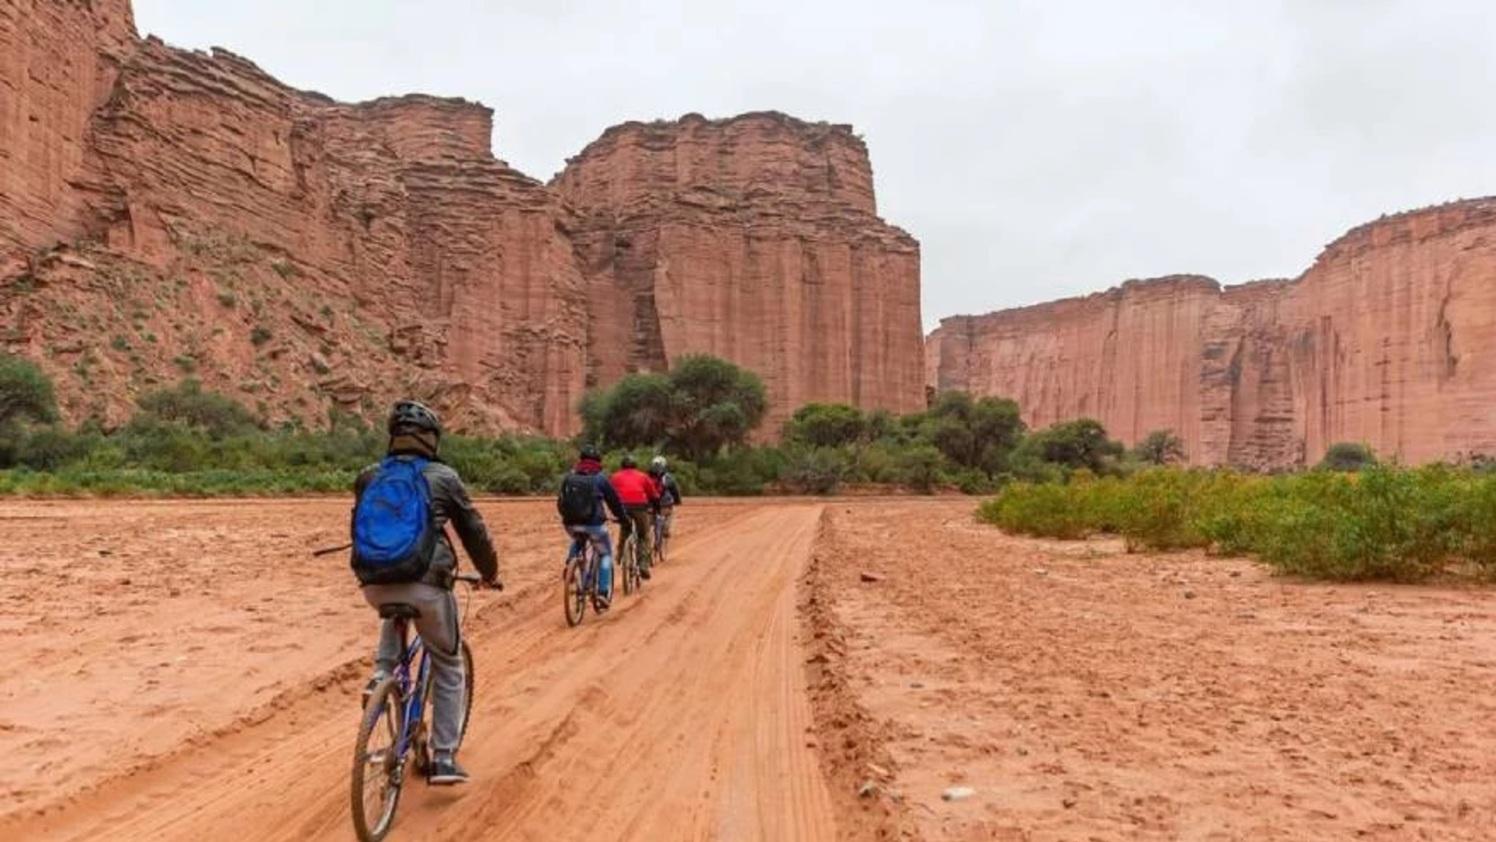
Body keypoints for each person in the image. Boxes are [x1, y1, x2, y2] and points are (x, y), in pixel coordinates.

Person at [354, 400, 500, 786]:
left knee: (393, 609)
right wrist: (489, 573)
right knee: (449, 664)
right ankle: (444, 757)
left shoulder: (369, 477)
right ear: (431, 439)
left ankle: (381, 678)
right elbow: (474, 532)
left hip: (373, 582)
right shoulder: (444, 476)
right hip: (427, 583)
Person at [557, 444, 627, 606]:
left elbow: (561, 501)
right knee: (605, 554)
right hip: (594, 525)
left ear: (580, 460)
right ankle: (602, 592)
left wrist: (567, 518)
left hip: (571, 523)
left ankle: (570, 562)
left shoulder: (569, 477)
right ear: (598, 461)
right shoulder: (601, 478)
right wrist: (623, 518)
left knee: (578, 539)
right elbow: (614, 502)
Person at [609, 454, 660, 580]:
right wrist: (656, 508)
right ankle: (643, 565)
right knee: (643, 535)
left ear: (622, 466)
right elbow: (653, 495)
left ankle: (620, 555)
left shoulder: (615, 477)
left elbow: (610, 493)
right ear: (635, 465)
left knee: (625, 530)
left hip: (623, 507)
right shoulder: (643, 476)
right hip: (640, 507)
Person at [647, 456, 682, 553]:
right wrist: (677, 501)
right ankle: (665, 531)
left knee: (649, 523)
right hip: (665, 504)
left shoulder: (647, 477)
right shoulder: (669, 478)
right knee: (668, 516)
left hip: (650, 504)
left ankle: (649, 537)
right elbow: (675, 491)